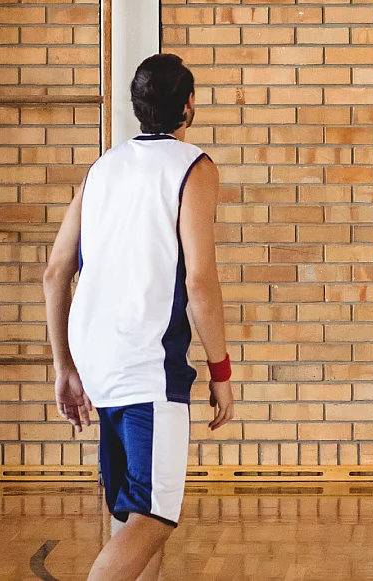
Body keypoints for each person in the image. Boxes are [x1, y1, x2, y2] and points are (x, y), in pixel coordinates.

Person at [43, 54, 234, 581]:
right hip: (146, 362)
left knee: (131, 512)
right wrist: (221, 371)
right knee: (154, 517)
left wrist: (64, 366)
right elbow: (199, 282)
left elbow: (56, 271)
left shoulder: (100, 169)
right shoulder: (193, 166)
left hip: (97, 359)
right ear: (189, 103)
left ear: (137, 105)